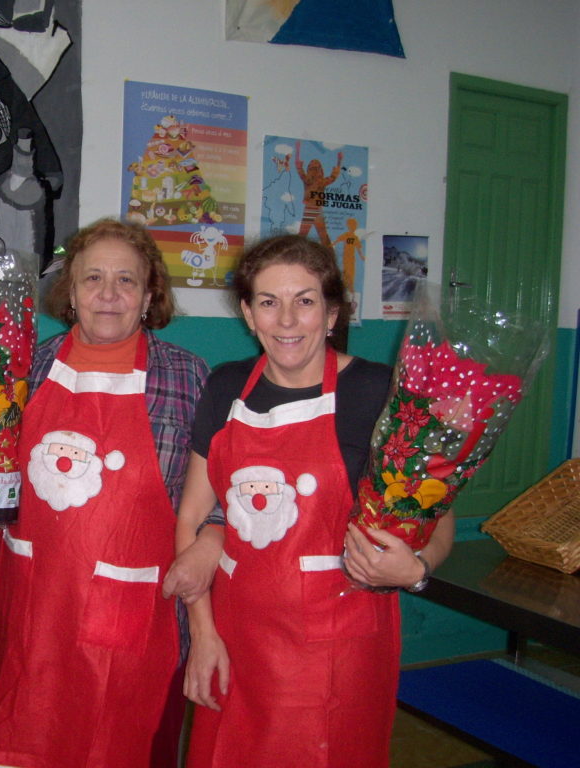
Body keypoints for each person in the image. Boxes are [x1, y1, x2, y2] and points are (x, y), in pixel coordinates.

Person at [163, 234, 455, 767]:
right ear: (248, 314)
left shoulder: (378, 392)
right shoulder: (226, 387)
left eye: (304, 301)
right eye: (268, 302)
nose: (287, 320)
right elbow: (193, 516)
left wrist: (415, 570)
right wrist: (201, 634)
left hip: (340, 646)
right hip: (236, 637)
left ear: (331, 313)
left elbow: (438, 519)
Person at [0, 218, 210, 768]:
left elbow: (220, 489)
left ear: (149, 296)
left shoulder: (187, 377)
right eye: (93, 278)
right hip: (34, 610)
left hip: (137, 616)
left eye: (126, 280)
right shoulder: (24, 368)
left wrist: (213, 539)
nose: (109, 294)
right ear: (71, 293)